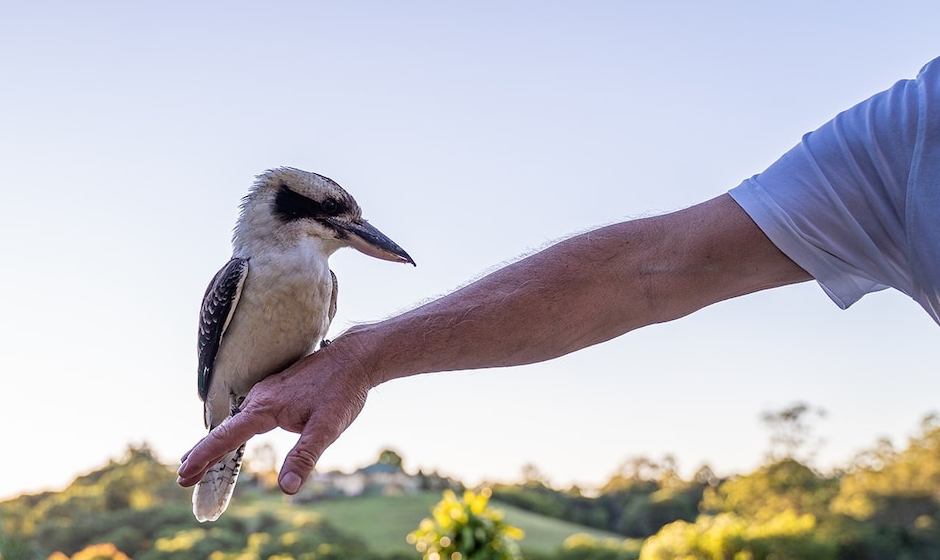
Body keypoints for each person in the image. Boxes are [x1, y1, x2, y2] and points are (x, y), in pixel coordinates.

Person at [178, 57, 940, 499]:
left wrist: (357, 353)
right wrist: (356, 358)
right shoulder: (908, 134)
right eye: (333, 216)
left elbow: (641, 274)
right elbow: (642, 270)